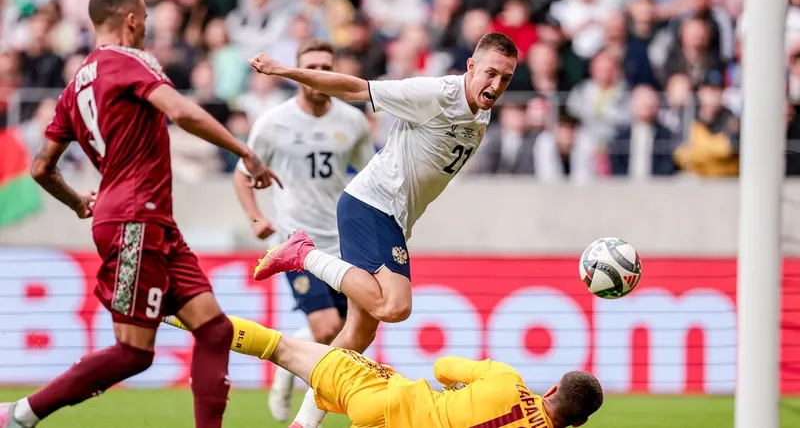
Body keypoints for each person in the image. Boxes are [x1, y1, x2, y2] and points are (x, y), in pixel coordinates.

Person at [0, 0, 280, 428]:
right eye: (145, 19)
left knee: (215, 329)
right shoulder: (130, 60)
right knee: (133, 351)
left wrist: (77, 202)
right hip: (134, 218)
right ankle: (20, 414)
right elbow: (181, 112)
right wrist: (244, 151)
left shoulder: (75, 87)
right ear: (131, 20)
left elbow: (40, 167)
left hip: (148, 219)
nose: (146, 27)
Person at [247, 32, 518, 428]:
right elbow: (356, 89)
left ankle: (302, 424)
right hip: (372, 205)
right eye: (490, 73)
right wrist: (285, 71)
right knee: (395, 306)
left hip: (395, 217)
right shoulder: (433, 94)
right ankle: (302, 253)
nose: (496, 85)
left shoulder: (481, 112)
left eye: (506, 78)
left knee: (355, 337)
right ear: (471, 66)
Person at [230, 38, 374, 421]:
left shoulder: (353, 122)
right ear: (298, 73)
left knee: (347, 332)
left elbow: (370, 178)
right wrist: (256, 218)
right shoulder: (273, 123)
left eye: (327, 67)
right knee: (327, 329)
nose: (320, 74)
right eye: (313, 67)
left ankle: (287, 368)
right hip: (296, 244)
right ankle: (302, 406)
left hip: (344, 243)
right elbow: (242, 175)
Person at [163, 314, 604, 428]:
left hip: (386, 395)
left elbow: (442, 366)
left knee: (281, 347)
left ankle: (177, 313)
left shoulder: (507, 379)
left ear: (551, 388)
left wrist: (454, 385)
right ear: (579, 422)